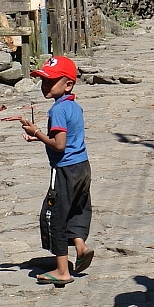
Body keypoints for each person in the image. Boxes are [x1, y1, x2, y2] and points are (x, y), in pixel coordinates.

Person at [20, 56, 94, 285]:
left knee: (55, 217)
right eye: (43, 81)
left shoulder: (58, 111)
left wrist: (37, 132)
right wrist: (42, 138)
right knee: (78, 209)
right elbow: (68, 138)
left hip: (64, 170)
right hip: (82, 166)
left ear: (68, 84)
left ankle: (62, 270)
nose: (45, 86)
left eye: (50, 82)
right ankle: (80, 246)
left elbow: (59, 145)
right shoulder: (74, 106)